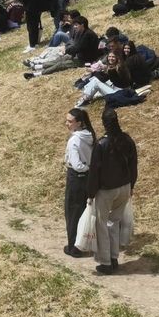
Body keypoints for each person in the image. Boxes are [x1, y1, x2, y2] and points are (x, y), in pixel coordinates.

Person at [85, 108, 137, 275]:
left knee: (101, 225)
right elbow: (133, 165)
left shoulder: (101, 144)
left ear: (103, 123)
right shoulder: (127, 140)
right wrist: (131, 186)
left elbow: (94, 171)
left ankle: (106, 262)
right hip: (124, 187)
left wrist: (90, 193)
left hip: (106, 190)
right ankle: (114, 257)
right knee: (114, 222)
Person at [62, 107, 94, 258]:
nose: (67, 124)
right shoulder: (90, 135)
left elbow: (77, 165)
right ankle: (84, 243)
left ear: (79, 123)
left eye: (70, 121)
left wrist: (85, 168)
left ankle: (74, 247)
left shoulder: (74, 140)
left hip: (76, 178)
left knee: (72, 213)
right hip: (87, 179)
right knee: (83, 212)